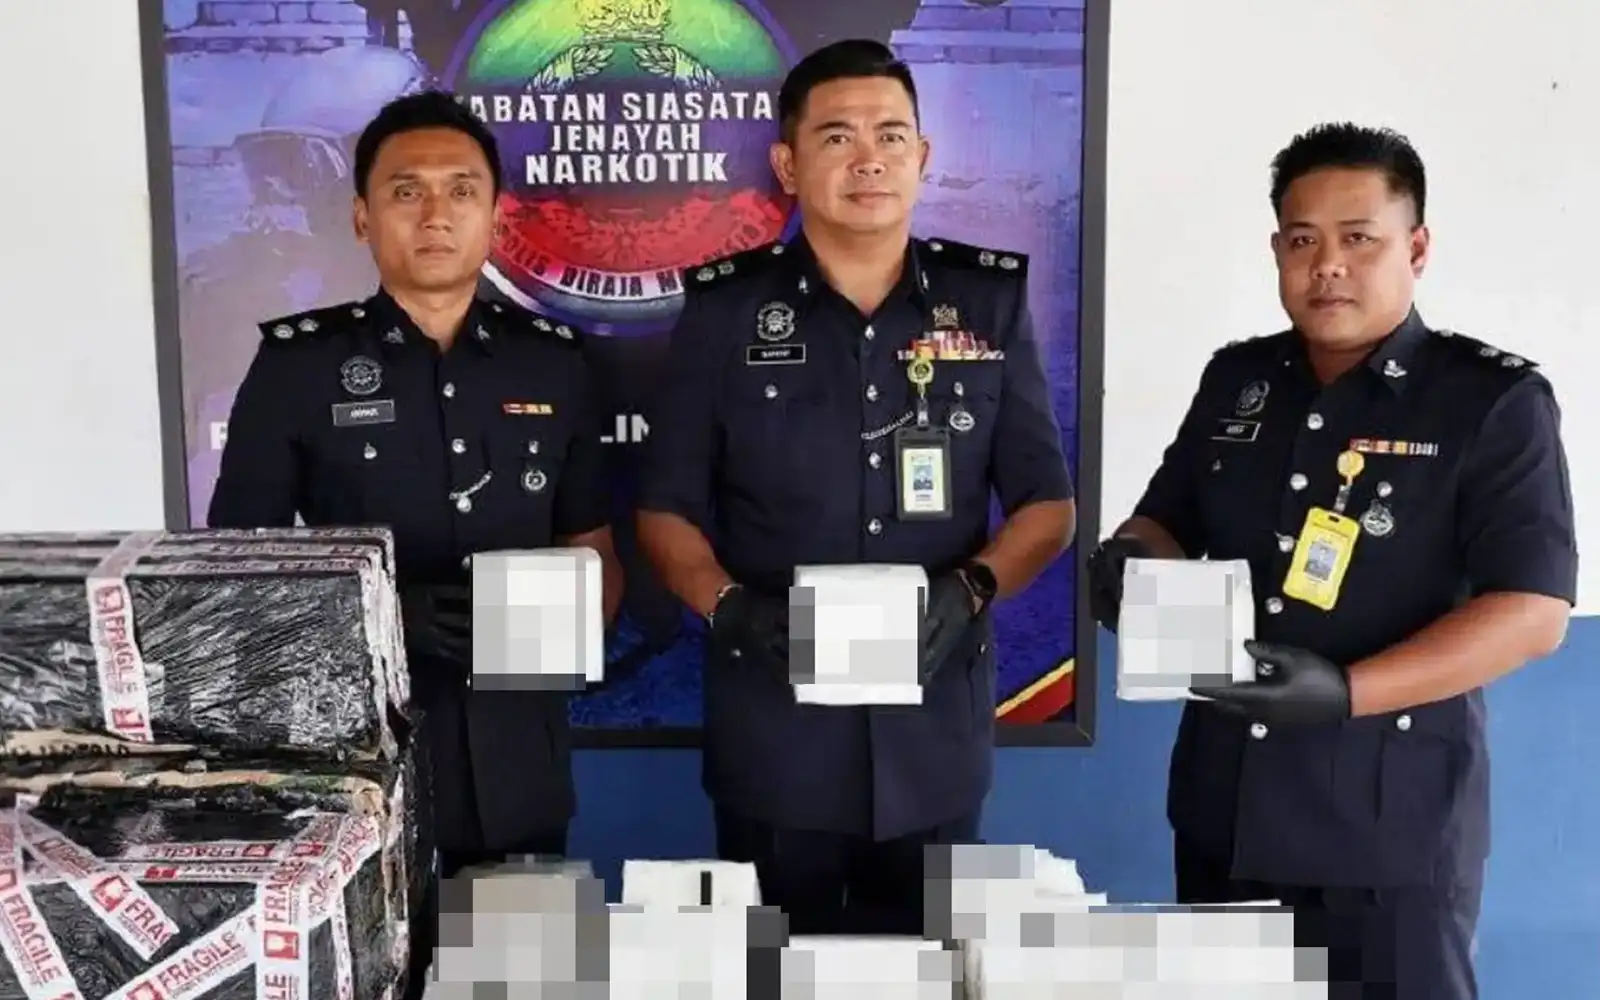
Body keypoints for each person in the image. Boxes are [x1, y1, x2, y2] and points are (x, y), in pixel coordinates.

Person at [1086, 123, 1575, 998]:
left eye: (1359, 239)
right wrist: (1128, 567)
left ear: (1415, 248)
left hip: (1387, 832)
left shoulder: (1490, 400)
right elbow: (1163, 522)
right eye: (1303, 241)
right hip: (1226, 812)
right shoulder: (1239, 381)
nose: (1329, 266)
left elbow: (1533, 614)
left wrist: (1345, 692)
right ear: (1277, 249)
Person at [636, 39, 1076, 935]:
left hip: (934, 733)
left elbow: (1047, 507)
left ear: (923, 156)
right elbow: (664, 510)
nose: (869, 159)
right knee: (770, 969)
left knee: (924, 973)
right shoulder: (725, 310)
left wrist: (973, 588)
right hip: (774, 732)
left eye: (891, 135)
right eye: (837, 137)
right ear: (788, 166)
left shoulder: (987, 304)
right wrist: (728, 608)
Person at [206, 90, 621, 993]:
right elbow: (238, 581)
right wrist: (383, 618)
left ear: (496, 215)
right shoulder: (298, 367)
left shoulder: (554, 362)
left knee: (522, 983)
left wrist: (567, 620)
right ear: (363, 216)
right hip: (360, 768)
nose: (435, 213)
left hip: (519, 754)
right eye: (406, 191)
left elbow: (594, 549)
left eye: (461, 190)